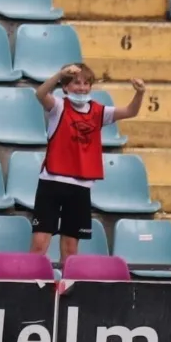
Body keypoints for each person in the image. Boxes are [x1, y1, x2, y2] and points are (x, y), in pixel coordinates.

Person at [30, 63, 145, 263]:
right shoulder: (58, 106)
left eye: (86, 83)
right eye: (76, 83)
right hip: (52, 182)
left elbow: (130, 111)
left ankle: (67, 289)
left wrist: (140, 94)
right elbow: (40, 94)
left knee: (71, 247)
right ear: (65, 87)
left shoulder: (99, 111)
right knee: (40, 243)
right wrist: (58, 74)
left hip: (80, 186)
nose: (81, 88)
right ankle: (29, 287)